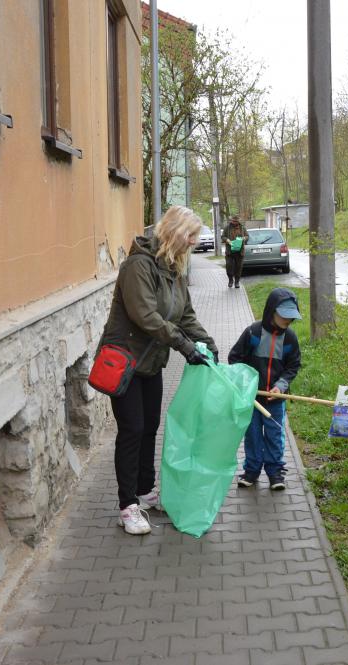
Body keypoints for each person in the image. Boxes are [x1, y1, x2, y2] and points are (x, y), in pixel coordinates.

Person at [96, 206, 219, 535]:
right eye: (191, 235)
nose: (194, 242)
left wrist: (208, 344)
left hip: (151, 362)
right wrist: (185, 347)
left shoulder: (174, 268)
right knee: (132, 429)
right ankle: (127, 506)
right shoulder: (138, 265)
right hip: (124, 362)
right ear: (175, 232)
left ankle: (145, 491)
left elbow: (186, 315)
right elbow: (146, 317)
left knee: (150, 426)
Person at [228, 288, 302, 490]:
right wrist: (246, 383)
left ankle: (275, 472)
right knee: (252, 435)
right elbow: (235, 358)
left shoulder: (290, 338)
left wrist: (281, 386)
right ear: (271, 311)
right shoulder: (253, 332)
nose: (287, 320)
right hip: (251, 399)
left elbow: (293, 366)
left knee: (274, 435)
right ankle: (251, 471)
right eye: (283, 315)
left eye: (291, 316)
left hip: (275, 400)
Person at [221, 215, 249, 288]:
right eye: (233, 221)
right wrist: (227, 240)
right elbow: (223, 236)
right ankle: (230, 280)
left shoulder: (242, 227)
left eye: (236, 221)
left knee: (238, 267)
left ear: (238, 221)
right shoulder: (227, 227)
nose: (235, 222)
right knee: (229, 266)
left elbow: (247, 236)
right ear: (231, 221)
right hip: (229, 251)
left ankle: (237, 282)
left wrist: (244, 238)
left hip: (240, 251)